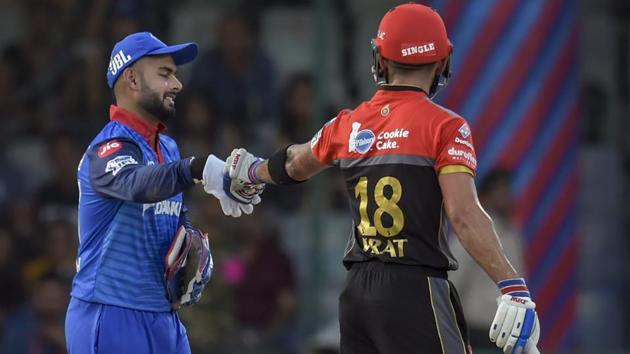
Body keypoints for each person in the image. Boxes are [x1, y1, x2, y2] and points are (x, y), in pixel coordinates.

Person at [225, 4, 540, 354]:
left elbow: (295, 163)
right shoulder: (447, 127)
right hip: (415, 289)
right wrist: (512, 286)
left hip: (358, 294)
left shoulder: (348, 123)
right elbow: (463, 215)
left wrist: (251, 172)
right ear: (442, 61)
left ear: (380, 60)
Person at [64, 32, 263, 354]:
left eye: (175, 75)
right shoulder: (108, 147)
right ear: (131, 78)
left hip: (163, 316)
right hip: (110, 312)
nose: (177, 85)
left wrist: (192, 244)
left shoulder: (167, 146)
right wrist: (195, 169)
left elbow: (171, 214)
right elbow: (135, 184)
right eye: (165, 74)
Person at [449, 169, 525, 349]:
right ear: (485, 197)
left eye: (508, 190)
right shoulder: (472, 233)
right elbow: (452, 283)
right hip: (478, 332)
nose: (507, 196)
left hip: (508, 333)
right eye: (500, 191)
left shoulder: (512, 234)